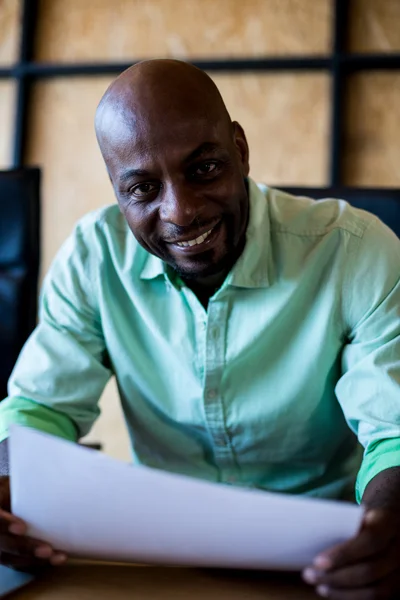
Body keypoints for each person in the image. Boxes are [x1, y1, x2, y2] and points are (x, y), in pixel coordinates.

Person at [1, 59, 400, 598]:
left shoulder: (355, 252)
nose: (181, 212)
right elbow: (37, 411)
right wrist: (7, 495)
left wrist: (389, 526)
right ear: (116, 190)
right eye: (142, 188)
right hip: (156, 558)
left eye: (204, 169)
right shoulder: (93, 258)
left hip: (325, 562)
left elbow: (394, 433)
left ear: (239, 149)